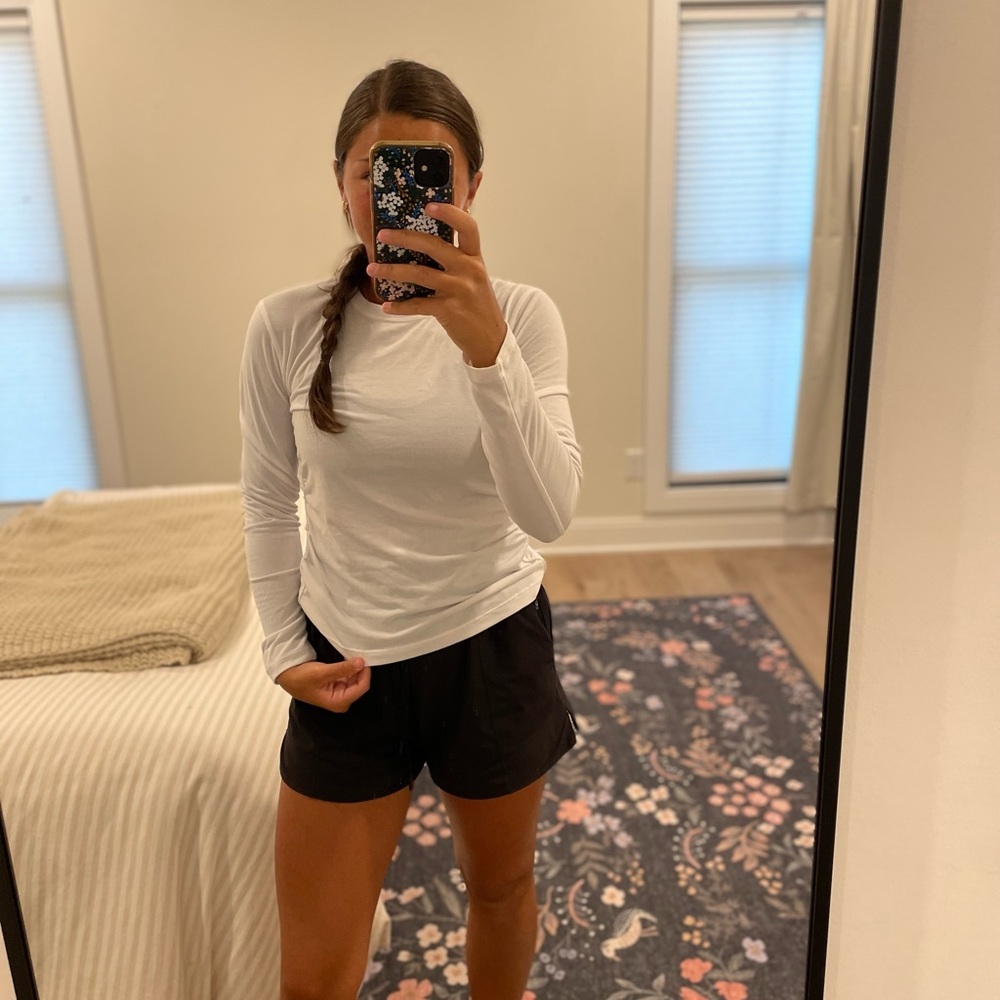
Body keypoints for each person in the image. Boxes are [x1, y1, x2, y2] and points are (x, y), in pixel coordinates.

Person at [239, 59, 582, 1000]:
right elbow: (268, 503)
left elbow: (549, 514)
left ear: (471, 186)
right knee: (313, 976)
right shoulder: (283, 326)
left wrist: (486, 353)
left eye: (432, 172)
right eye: (373, 171)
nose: (396, 194)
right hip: (347, 662)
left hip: (491, 645)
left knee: (501, 889)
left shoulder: (523, 318)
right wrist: (281, 649)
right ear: (342, 182)